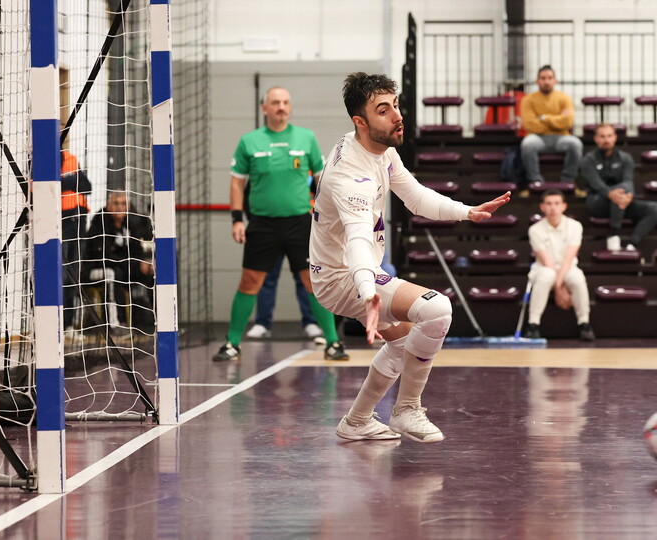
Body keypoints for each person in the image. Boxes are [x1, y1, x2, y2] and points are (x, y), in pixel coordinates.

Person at [311, 72, 509, 442]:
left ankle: (356, 422)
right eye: (383, 110)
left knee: (402, 343)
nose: (397, 116)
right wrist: (367, 289)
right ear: (360, 122)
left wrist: (467, 211)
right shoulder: (350, 176)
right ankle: (406, 410)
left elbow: (416, 197)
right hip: (345, 277)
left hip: (352, 272)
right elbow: (356, 238)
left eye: (395, 105)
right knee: (436, 310)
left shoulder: (380, 150)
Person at [213, 86, 347, 362]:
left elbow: (323, 180)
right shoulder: (249, 141)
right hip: (262, 224)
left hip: (300, 223)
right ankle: (232, 343)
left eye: (286, 102)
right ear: (265, 108)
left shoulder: (306, 137)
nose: (281, 107)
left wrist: (329, 216)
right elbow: (237, 183)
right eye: (275, 103)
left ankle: (333, 342)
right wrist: (237, 219)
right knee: (250, 282)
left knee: (313, 281)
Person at [581, 123, 657, 251]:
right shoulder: (588, 160)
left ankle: (632, 244)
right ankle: (614, 234)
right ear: (596, 139)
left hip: (622, 202)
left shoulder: (625, 158)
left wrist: (628, 196)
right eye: (602, 136)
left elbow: (628, 182)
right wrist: (612, 194)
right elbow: (596, 184)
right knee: (617, 193)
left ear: (615, 138)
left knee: (655, 208)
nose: (606, 140)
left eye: (609, 136)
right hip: (598, 202)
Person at [526, 189, 594, 342]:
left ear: (564, 206)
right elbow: (547, 262)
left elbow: (569, 259)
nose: (553, 208)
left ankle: (584, 323)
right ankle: (533, 324)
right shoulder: (535, 229)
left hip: (568, 267)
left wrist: (560, 286)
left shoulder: (575, 226)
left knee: (577, 278)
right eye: (549, 204)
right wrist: (559, 289)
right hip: (544, 268)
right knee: (546, 276)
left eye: (557, 203)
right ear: (542, 207)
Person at [82, 191, 154, 329]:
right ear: (108, 205)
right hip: (94, 269)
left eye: (123, 204)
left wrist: (144, 262)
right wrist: (134, 264)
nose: (120, 207)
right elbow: (102, 256)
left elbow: (136, 250)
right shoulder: (100, 222)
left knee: (152, 273)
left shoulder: (130, 224)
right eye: (116, 203)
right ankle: (115, 324)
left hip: (123, 267)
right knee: (114, 273)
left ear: (128, 206)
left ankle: (155, 319)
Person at [519, 65, 583, 192]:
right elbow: (530, 125)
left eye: (549, 78)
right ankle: (536, 181)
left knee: (575, 144)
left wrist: (544, 118)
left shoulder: (564, 98)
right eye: (543, 78)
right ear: (537, 81)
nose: (546, 81)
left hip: (561, 137)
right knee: (527, 144)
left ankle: (567, 180)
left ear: (555, 80)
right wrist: (557, 120)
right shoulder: (528, 100)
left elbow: (568, 122)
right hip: (537, 138)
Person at [245, 254, 324, 342]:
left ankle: (311, 322)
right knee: (266, 277)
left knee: (306, 278)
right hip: (271, 240)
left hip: (298, 240)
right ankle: (262, 323)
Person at [61, 150, 91, 331]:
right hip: (61, 222)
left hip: (79, 222)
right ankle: (59, 323)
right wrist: (72, 182)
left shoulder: (71, 158)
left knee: (74, 276)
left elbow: (87, 186)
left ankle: (69, 324)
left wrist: (68, 182)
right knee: (62, 275)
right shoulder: (43, 157)